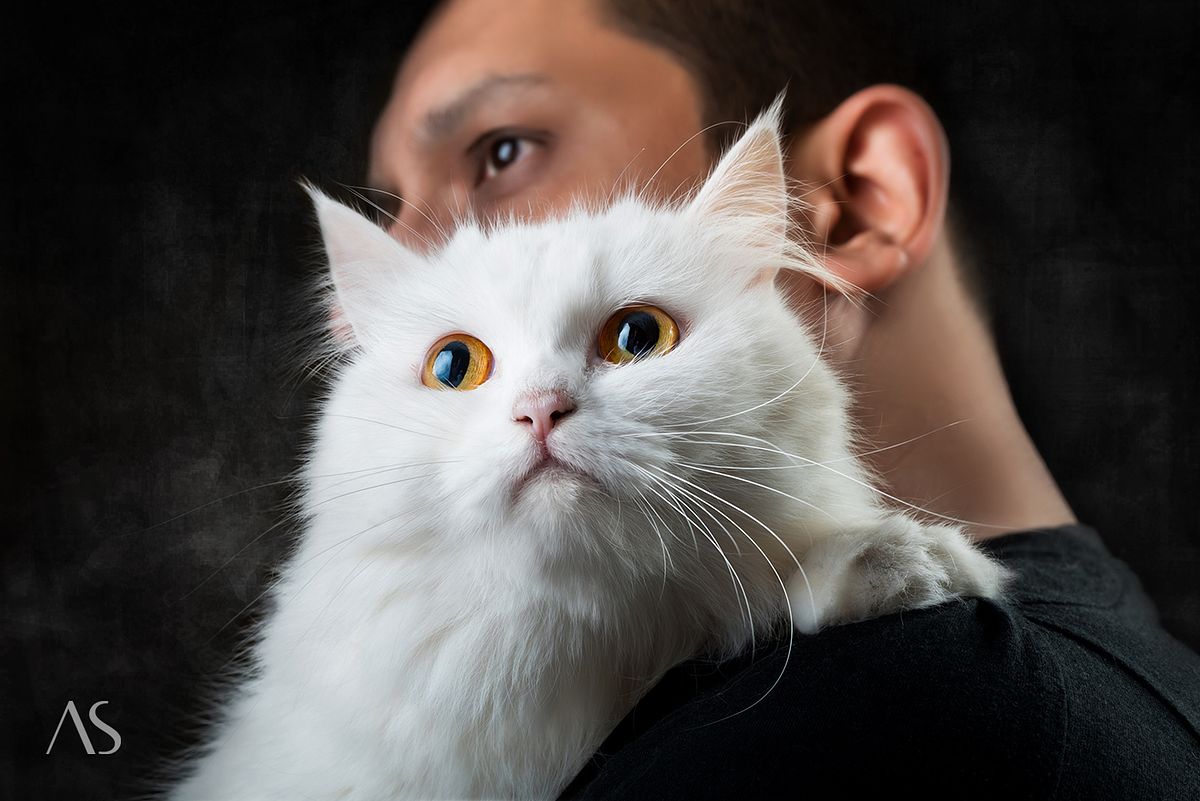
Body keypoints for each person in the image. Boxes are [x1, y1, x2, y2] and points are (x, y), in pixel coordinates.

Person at [365, 0, 1200, 797]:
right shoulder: (1137, 678)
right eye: (392, 209)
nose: (403, 264)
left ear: (852, 206)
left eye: (502, 151)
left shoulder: (888, 702)